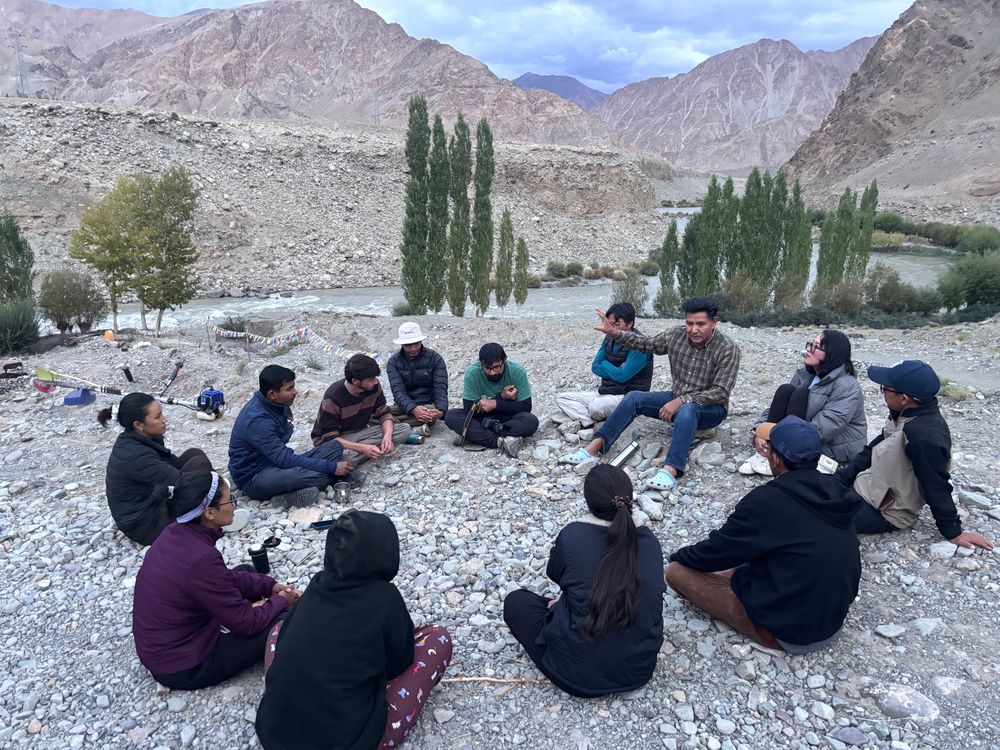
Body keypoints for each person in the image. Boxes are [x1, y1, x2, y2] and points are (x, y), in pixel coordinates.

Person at [255, 510, 452, 750]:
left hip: (273, 735)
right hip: (350, 742)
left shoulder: (317, 584)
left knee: (278, 628)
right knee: (437, 638)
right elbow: (399, 664)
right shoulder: (385, 598)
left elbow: (287, 638)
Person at [667, 416, 862, 653]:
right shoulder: (835, 491)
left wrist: (678, 556)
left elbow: (716, 552)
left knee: (677, 572)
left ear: (777, 459)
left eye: (768, 449)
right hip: (831, 620)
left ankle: (761, 629)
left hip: (790, 632)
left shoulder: (768, 500)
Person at [503, 464, 665, 697]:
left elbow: (555, 573)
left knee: (517, 602)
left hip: (575, 675)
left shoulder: (573, 535)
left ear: (588, 504)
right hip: (639, 670)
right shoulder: (650, 541)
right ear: (629, 501)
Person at [132, 471, 301, 690]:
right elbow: (246, 623)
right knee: (286, 619)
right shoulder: (200, 557)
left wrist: (270, 587)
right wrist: (281, 600)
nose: (233, 505)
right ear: (210, 513)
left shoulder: (175, 532)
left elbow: (222, 578)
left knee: (247, 572)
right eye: (230, 500)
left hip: (169, 644)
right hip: (185, 666)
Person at [560, 296, 740, 492]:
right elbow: (646, 344)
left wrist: (682, 400)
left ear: (714, 322)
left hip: (710, 409)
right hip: (677, 397)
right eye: (689, 323)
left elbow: (721, 392)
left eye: (700, 324)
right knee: (634, 397)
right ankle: (593, 449)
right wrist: (614, 332)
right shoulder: (676, 336)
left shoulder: (727, 349)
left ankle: (671, 469)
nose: (693, 329)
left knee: (688, 410)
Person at [837, 360, 994, 551]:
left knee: (813, 516)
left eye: (884, 388)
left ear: (904, 398)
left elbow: (936, 484)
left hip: (884, 510)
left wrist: (952, 530)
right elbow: (873, 448)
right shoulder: (904, 413)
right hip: (866, 487)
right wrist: (841, 478)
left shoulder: (924, 436)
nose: (883, 393)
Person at [741, 330, 866, 476]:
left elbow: (827, 426)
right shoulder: (807, 374)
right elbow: (778, 406)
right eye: (810, 344)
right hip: (802, 434)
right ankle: (767, 454)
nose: (808, 349)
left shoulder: (847, 385)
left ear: (832, 353)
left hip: (836, 445)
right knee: (786, 390)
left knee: (800, 394)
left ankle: (778, 455)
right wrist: (759, 431)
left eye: (816, 346)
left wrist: (776, 438)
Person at [229, 365, 351, 507]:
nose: (295, 392)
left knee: (335, 447)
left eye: (293, 387)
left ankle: (322, 479)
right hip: (254, 476)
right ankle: (285, 498)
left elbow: (282, 457)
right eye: (289, 389)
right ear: (272, 394)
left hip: (274, 463)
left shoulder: (277, 405)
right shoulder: (257, 420)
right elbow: (284, 459)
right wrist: (330, 467)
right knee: (318, 475)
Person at [103, 392, 214, 545]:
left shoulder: (142, 437)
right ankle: (214, 511)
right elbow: (179, 480)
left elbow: (170, 463)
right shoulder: (135, 454)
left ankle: (212, 504)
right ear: (138, 425)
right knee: (199, 468)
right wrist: (218, 486)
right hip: (145, 524)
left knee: (195, 455)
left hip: (153, 500)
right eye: (157, 417)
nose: (164, 419)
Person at [554, 302, 654, 427]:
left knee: (596, 407)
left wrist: (605, 363)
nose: (611, 328)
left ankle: (591, 418)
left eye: (616, 324)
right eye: (610, 324)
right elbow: (595, 367)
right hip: (606, 391)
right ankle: (590, 420)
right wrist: (616, 369)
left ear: (630, 324)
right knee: (562, 398)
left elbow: (622, 377)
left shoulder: (640, 346)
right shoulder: (609, 338)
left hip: (628, 396)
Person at [311, 354, 412, 467]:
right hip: (337, 439)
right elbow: (330, 438)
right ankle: (362, 451)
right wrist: (363, 448)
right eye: (371, 379)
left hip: (361, 432)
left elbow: (383, 413)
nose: (375, 381)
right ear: (355, 381)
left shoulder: (373, 387)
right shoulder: (333, 396)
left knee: (404, 429)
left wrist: (387, 437)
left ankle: (364, 450)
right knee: (347, 460)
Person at [443, 343, 539, 457]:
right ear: (481, 364)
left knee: (531, 421)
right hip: (482, 418)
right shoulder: (473, 373)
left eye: (497, 367)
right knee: (451, 416)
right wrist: (501, 397)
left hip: (507, 417)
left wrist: (496, 403)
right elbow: (469, 409)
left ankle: (474, 436)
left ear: (505, 360)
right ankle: (499, 442)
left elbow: (526, 406)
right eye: (487, 368)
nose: (492, 372)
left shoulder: (517, 371)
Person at [386, 322, 448, 437]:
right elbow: (398, 391)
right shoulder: (393, 362)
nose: (413, 348)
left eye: (416, 343)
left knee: (429, 412)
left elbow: (440, 388)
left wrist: (440, 411)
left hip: (426, 405)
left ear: (421, 341)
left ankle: (390, 426)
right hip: (403, 407)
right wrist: (413, 409)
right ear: (402, 345)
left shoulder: (435, 359)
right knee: (375, 413)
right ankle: (406, 426)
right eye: (408, 345)